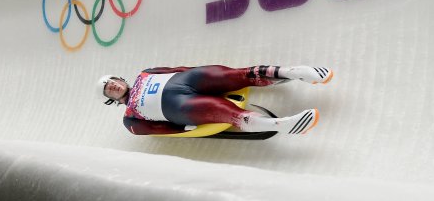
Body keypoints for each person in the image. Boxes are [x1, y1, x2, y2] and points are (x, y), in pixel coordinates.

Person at [96, 65, 334, 136]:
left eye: (112, 81)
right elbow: (160, 129)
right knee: (223, 111)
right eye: (109, 89)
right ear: (111, 99)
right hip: (180, 108)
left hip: (190, 79)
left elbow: (176, 68)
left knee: (237, 75)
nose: (114, 86)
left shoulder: (145, 72)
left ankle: (292, 72)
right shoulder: (130, 119)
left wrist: (196, 70)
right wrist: (186, 128)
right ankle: (283, 125)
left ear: (119, 78)